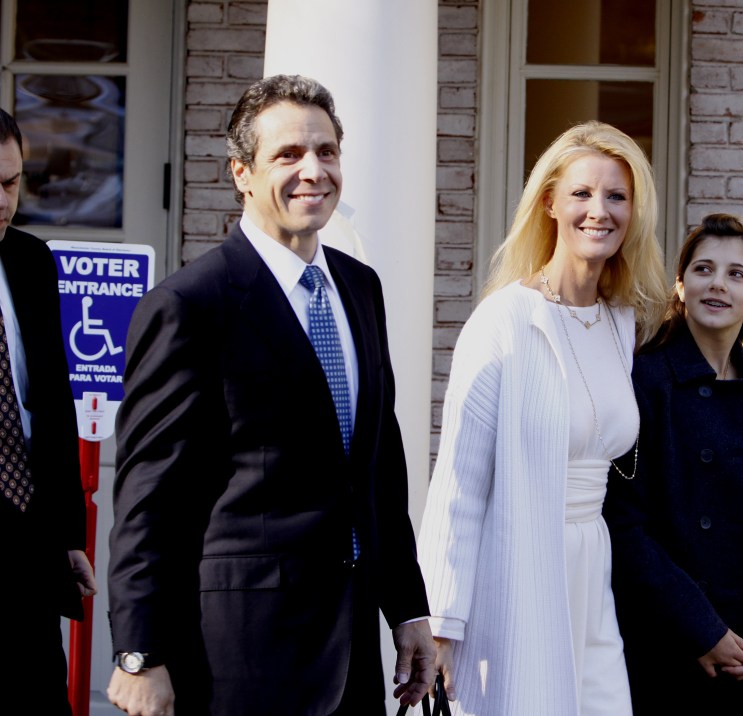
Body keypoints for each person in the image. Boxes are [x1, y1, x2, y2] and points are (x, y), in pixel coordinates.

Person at [106, 75, 434, 716]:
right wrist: (139, 652)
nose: (313, 170)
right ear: (242, 173)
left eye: (327, 151)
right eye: (288, 155)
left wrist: (408, 607)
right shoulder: (189, 306)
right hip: (237, 659)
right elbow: (150, 499)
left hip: (351, 657)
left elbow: (376, 468)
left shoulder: (360, 288)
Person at [417, 121, 667, 715]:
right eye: (581, 193)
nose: (598, 211)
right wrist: (443, 623)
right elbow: (459, 481)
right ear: (549, 202)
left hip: (594, 569)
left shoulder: (624, 324)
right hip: (521, 565)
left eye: (616, 196)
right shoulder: (503, 321)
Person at [605, 213, 743, 714]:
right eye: (703, 269)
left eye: (736, 274)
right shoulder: (643, 378)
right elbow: (624, 524)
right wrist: (702, 629)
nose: (718, 283)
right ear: (680, 285)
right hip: (668, 648)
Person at [0, 108, 98, 715]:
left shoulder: (31, 262)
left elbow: (51, 405)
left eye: (10, 183)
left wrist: (69, 536)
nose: (1, 201)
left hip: (27, 548)